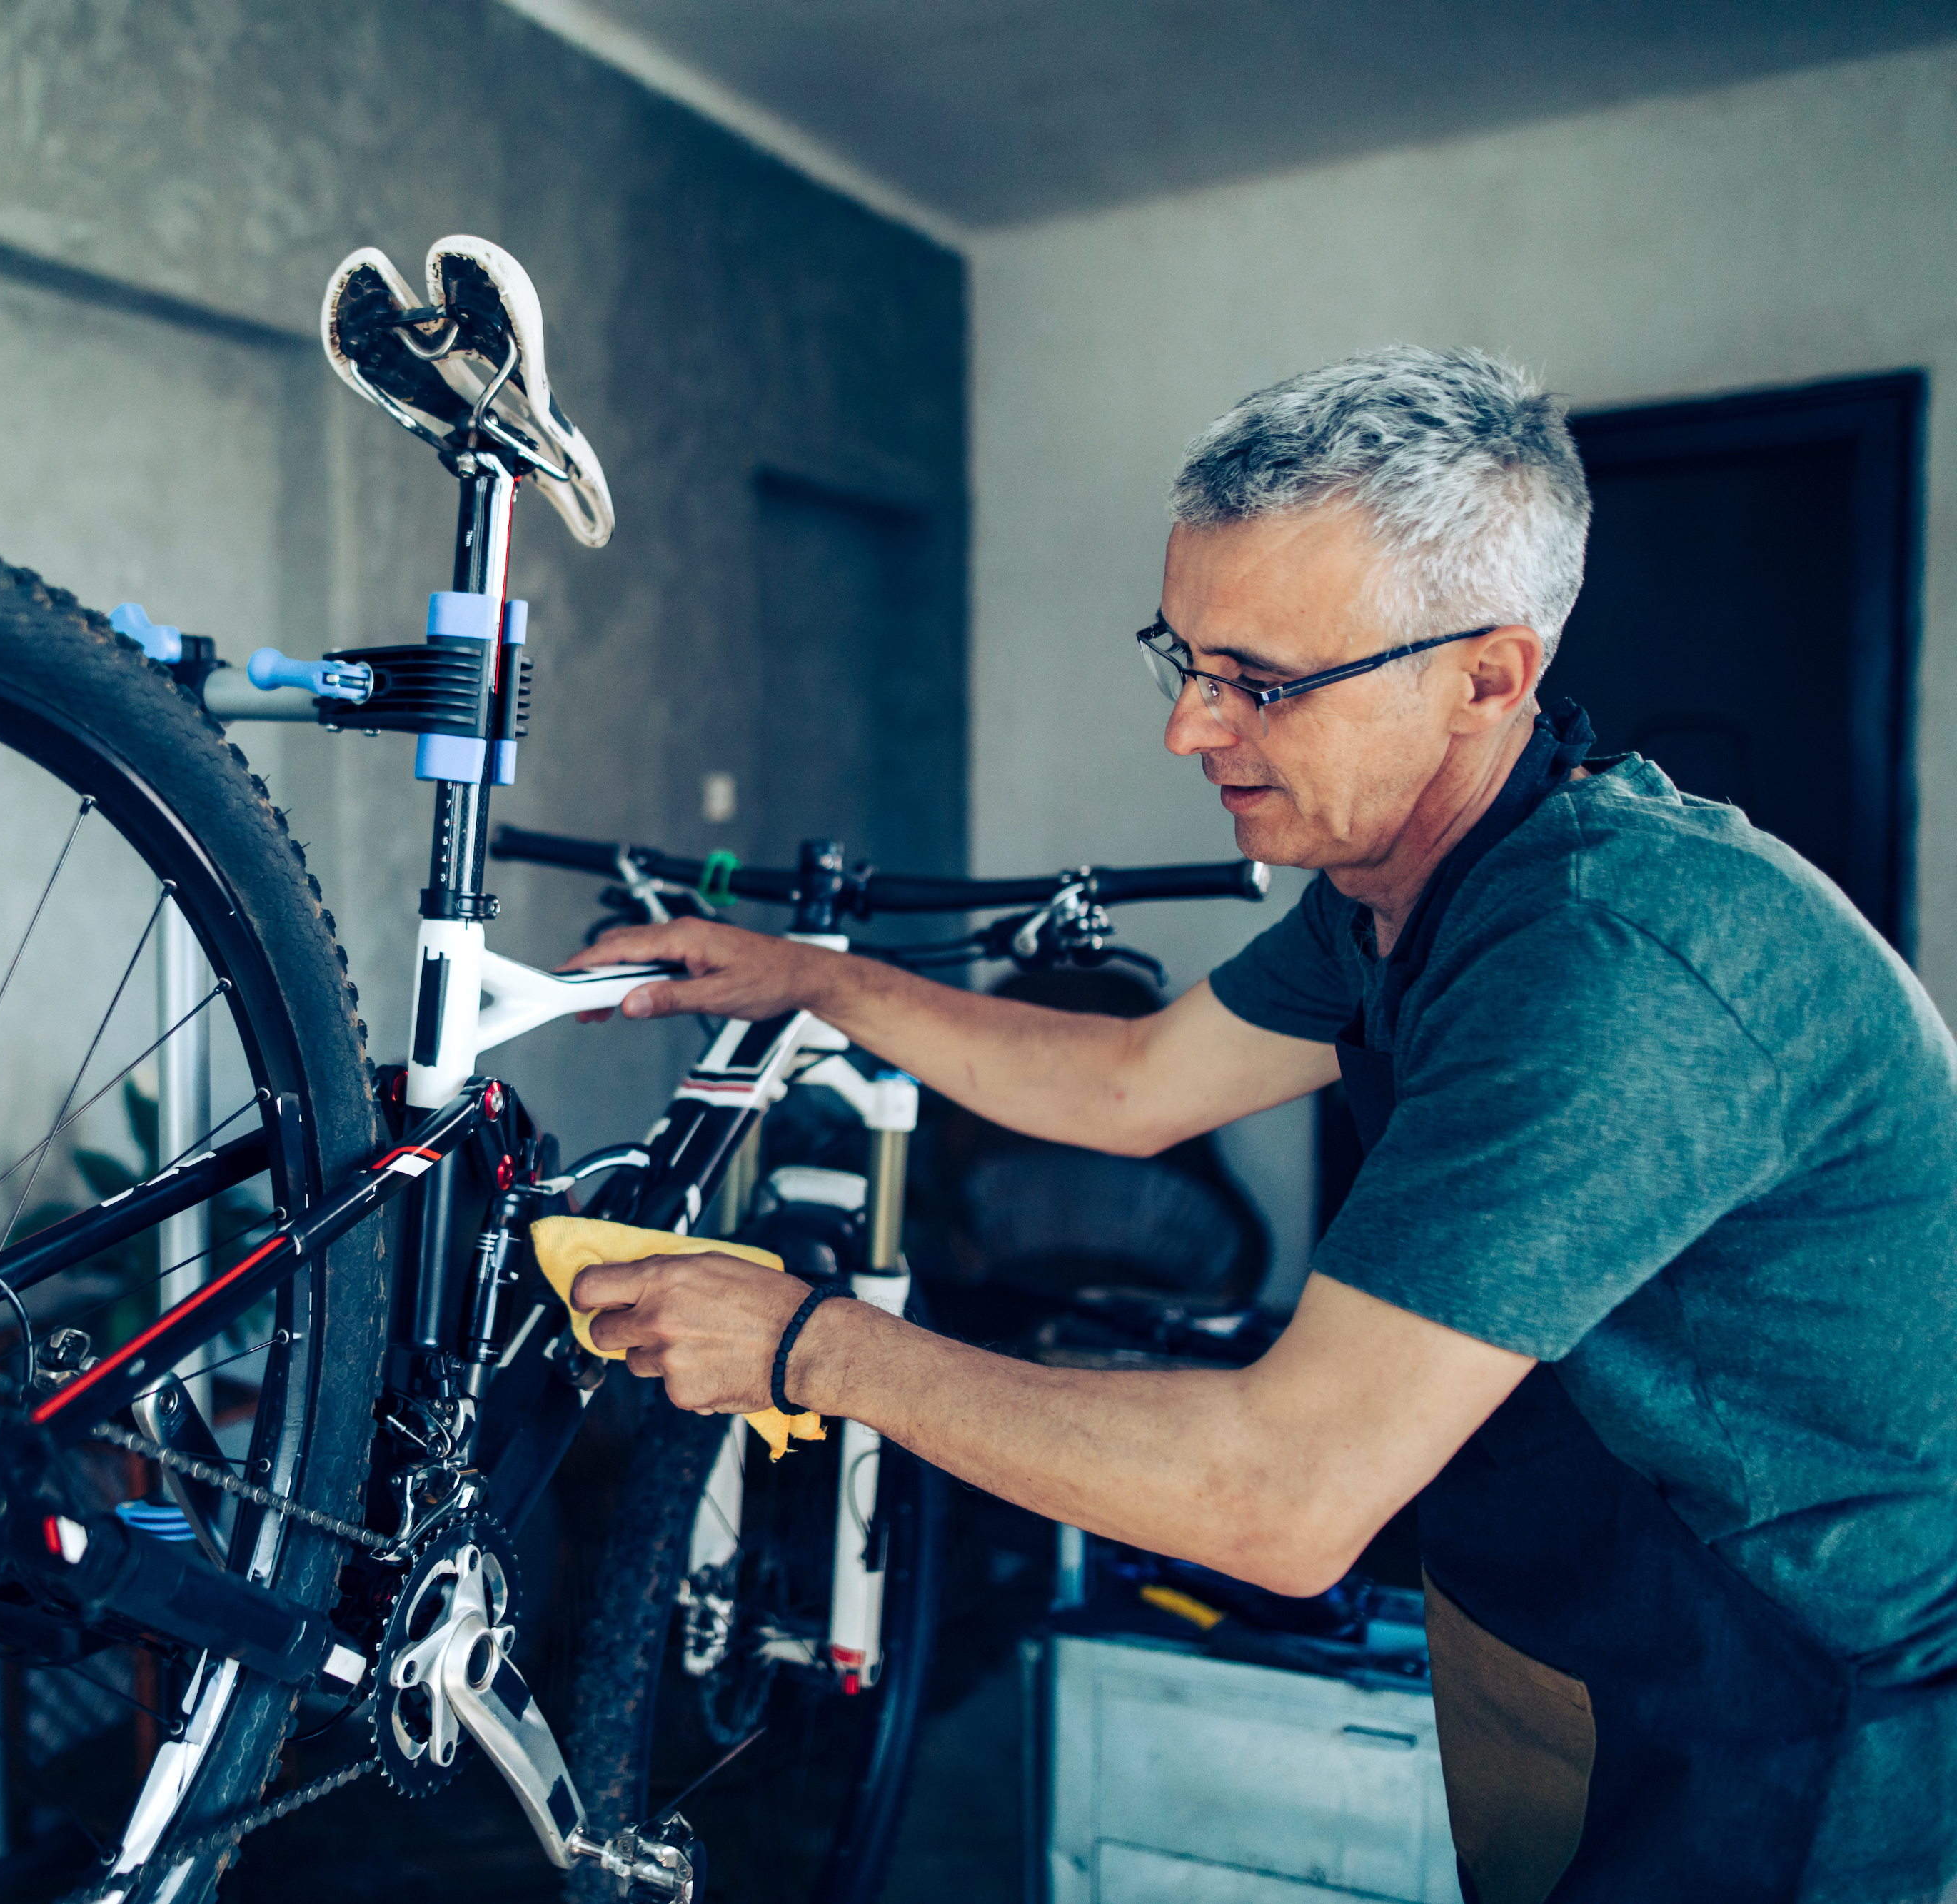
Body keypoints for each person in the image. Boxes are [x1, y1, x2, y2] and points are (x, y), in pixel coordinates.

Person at [563, 347, 1957, 1903]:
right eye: (1185, 656)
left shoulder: (1609, 961)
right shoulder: (1400, 882)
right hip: (1616, 1631)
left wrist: (801, 1343)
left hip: (1830, 1730)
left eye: (1263, 681)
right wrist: (806, 979)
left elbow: (1278, 1497)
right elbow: (1131, 1083)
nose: (1190, 729)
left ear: (1485, 675)